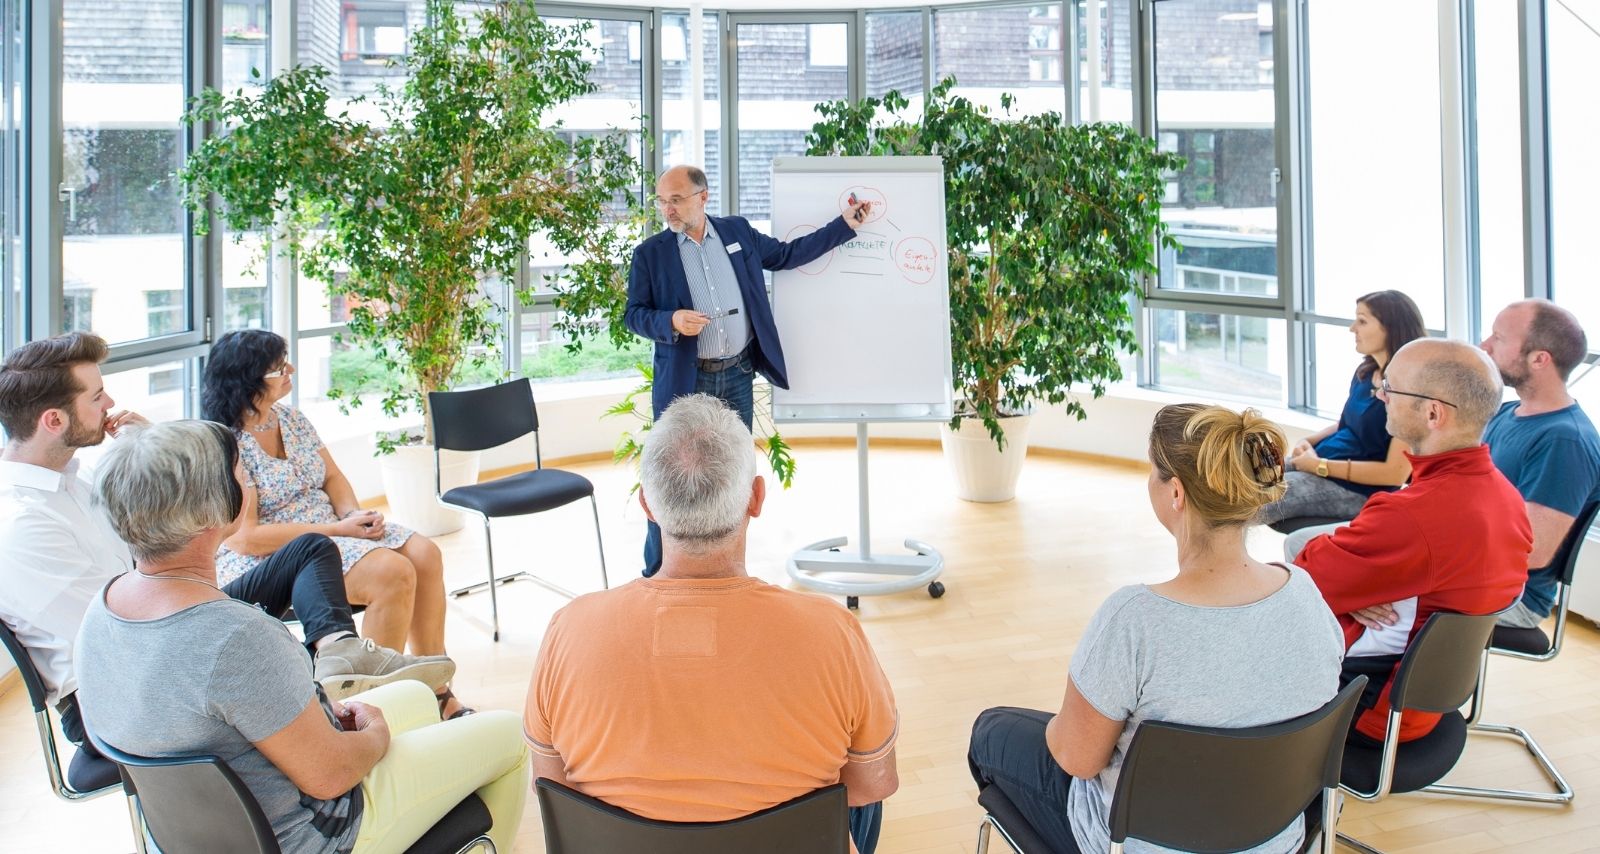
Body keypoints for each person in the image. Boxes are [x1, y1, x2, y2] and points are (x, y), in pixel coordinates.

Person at [74, 420, 529, 853]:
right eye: (238, 473)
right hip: (310, 835)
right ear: (211, 512)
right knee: (509, 736)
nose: (246, 482)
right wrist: (376, 737)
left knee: (414, 694)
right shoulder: (237, 637)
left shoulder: (102, 609)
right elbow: (330, 777)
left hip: (199, 833)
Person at [0, 333, 450, 759]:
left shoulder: (75, 480)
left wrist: (150, 441)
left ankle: (338, 655)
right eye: (97, 396)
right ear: (54, 420)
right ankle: (356, 718)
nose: (111, 403)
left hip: (175, 627)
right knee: (282, 643)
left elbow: (162, 535)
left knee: (312, 547)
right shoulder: (24, 524)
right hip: (126, 690)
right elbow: (122, 637)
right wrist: (244, 627)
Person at [524, 394, 899, 854]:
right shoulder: (833, 631)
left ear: (648, 505)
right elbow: (871, 784)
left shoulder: (569, 630)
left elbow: (550, 785)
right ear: (756, 498)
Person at [967, 404, 1344, 854]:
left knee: (991, 732)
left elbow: (1077, 759)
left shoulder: (1134, 619)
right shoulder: (1305, 593)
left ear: (1177, 494)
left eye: (1153, 470)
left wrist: (1069, 720)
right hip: (1275, 842)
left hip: (1132, 845)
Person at [201, 330, 471, 719]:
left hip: (331, 528)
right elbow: (248, 538)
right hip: (279, 557)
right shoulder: (229, 444)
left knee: (425, 554)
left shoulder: (291, 419)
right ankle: (374, 706)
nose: (290, 370)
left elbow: (332, 478)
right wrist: (341, 531)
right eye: (279, 367)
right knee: (391, 573)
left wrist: (351, 516)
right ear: (248, 381)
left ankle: (436, 690)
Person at [625, 164, 874, 576]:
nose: (666, 209)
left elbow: (788, 255)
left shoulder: (737, 233)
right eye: (661, 201)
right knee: (669, 479)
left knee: (735, 477)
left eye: (675, 199)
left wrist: (844, 225)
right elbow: (634, 315)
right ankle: (656, 574)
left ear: (703, 197)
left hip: (737, 375)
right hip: (688, 382)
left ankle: (727, 566)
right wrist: (669, 321)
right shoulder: (651, 254)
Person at [1286, 339, 1530, 746]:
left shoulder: (1412, 514)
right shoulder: (1505, 496)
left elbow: (1302, 581)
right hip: (1423, 702)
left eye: (1391, 389)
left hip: (1370, 707)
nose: (1380, 396)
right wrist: (1356, 587)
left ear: (1433, 413)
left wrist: (1346, 586)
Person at [1480, 299, 1599, 628]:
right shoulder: (1506, 412)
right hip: (1474, 575)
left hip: (1512, 597)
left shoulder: (1565, 442)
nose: (1484, 346)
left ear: (1539, 359)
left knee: (1369, 598)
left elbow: (1533, 553)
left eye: (1498, 338)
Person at [1257, 290, 1423, 525]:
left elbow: (1394, 473)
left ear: (1391, 328)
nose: (1352, 328)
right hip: (1322, 461)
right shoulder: (1366, 373)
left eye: (1362, 321)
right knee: (1247, 472)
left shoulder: (1410, 390)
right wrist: (1309, 441)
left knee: (1250, 499)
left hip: (1356, 489)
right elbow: (1347, 423)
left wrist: (1320, 467)